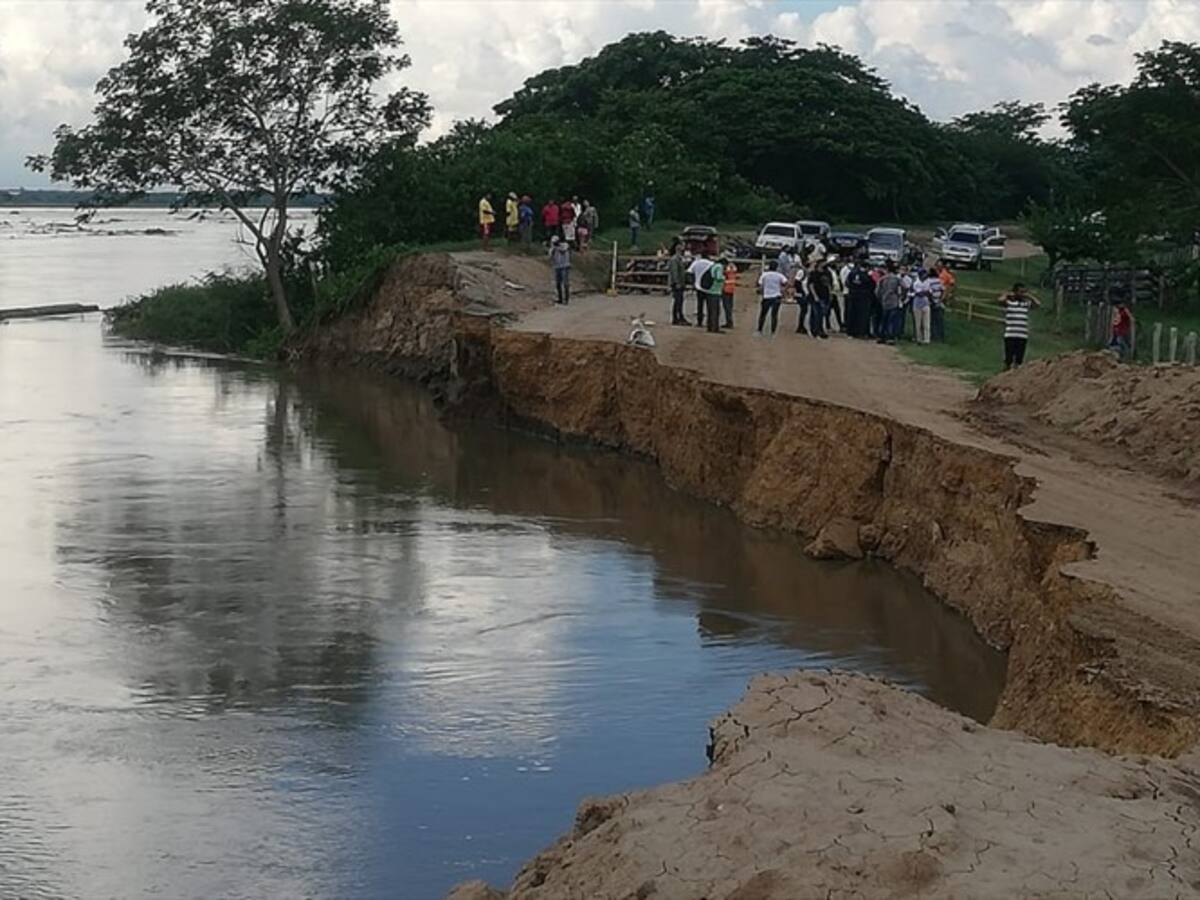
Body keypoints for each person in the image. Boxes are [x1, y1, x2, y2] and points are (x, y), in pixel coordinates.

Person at [999, 282, 1041, 368]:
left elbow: (1038, 304)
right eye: (1020, 292)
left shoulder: (1025, 304)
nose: (1022, 294)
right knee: (1009, 358)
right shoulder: (1010, 303)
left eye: (1023, 292)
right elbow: (1000, 300)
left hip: (1022, 335)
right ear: (1015, 292)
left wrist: (1029, 296)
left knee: (1019, 359)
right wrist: (1007, 294)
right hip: (1010, 335)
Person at [844, 257, 875, 338]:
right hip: (863, 298)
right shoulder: (866, 276)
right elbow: (871, 286)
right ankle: (861, 332)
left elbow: (847, 283)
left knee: (852, 314)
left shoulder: (852, 273)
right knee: (863, 316)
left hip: (853, 296)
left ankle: (851, 332)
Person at [756, 259, 787, 335]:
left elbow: (760, 284)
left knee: (763, 314)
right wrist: (783, 290)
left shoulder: (764, 274)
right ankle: (773, 331)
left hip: (767, 296)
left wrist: (761, 290)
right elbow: (786, 282)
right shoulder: (779, 275)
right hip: (776, 296)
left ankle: (760, 329)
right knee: (774, 315)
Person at [875, 261, 903, 344]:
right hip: (894, 301)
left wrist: (880, 298)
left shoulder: (882, 279)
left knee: (883, 319)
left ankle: (881, 336)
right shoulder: (897, 279)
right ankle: (890, 338)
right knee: (891, 320)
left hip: (884, 301)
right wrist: (900, 297)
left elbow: (877, 291)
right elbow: (904, 287)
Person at [688, 250, 712, 328]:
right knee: (709, 305)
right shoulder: (711, 263)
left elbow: (689, 272)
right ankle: (710, 321)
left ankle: (699, 321)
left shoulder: (696, 263)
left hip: (698, 286)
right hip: (708, 287)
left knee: (699, 305)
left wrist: (693, 283)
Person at [808, 260, 832, 339]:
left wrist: (830, 294)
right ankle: (815, 330)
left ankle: (820, 330)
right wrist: (815, 296)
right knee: (816, 314)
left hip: (825, 295)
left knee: (822, 314)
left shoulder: (827, 273)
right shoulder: (813, 274)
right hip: (816, 296)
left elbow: (828, 284)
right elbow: (811, 285)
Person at [667, 242, 689, 325]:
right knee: (677, 301)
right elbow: (674, 272)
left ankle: (679, 316)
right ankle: (676, 318)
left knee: (680, 301)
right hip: (677, 283)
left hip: (681, 282)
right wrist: (677, 282)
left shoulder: (680, 258)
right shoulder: (674, 259)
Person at [910, 268, 933, 344]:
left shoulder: (928, 281)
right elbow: (919, 293)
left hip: (926, 303)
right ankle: (918, 338)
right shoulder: (916, 282)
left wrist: (924, 292)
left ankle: (927, 339)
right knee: (918, 323)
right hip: (917, 304)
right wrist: (925, 292)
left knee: (927, 323)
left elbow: (929, 292)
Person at [549, 236, 571, 304]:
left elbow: (563, 250)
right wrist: (552, 249)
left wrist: (556, 247)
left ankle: (566, 299)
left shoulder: (564, 245)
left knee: (565, 283)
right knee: (558, 284)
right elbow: (550, 256)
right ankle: (560, 298)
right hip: (557, 267)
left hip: (565, 266)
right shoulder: (553, 248)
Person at [928, 268, 947, 342]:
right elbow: (944, 291)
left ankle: (933, 335)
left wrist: (932, 301)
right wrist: (941, 300)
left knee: (932, 320)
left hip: (932, 303)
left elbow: (929, 292)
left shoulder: (929, 281)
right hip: (939, 303)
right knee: (939, 321)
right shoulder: (939, 281)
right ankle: (940, 336)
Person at [721, 258, 737, 329]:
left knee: (727, 307)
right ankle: (730, 322)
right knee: (730, 307)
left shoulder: (726, 271)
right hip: (731, 289)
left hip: (726, 289)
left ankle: (729, 322)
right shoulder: (733, 269)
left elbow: (723, 279)